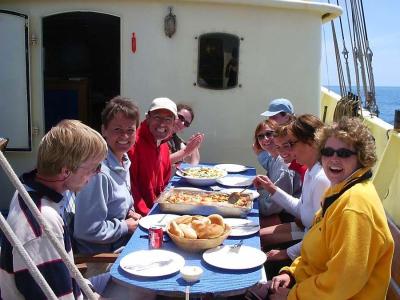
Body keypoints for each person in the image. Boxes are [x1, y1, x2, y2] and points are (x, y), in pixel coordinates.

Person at [269, 117, 394, 300]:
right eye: (327, 152)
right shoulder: (338, 191)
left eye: (343, 153)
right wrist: (292, 273)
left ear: (361, 157)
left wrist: (292, 295)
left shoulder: (353, 208)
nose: (333, 159)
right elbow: (317, 250)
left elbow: (343, 282)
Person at [0, 120, 107, 299]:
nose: (98, 173)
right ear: (66, 172)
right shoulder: (42, 225)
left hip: (78, 285)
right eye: (94, 168)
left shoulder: (26, 191)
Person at [254, 115, 330, 270]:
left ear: (311, 142)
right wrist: (271, 188)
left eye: (291, 144)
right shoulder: (311, 172)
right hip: (306, 230)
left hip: (311, 246)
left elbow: (319, 237)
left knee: (259, 255)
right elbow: (300, 209)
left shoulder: (321, 179)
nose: (289, 151)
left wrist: (285, 253)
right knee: (257, 236)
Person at [73, 97, 141, 254]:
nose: (124, 136)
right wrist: (125, 226)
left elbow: (115, 207)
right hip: (104, 258)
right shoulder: (99, 173)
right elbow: (86, 230)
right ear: (104, 130)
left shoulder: (123, 160)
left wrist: (130, 214)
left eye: (130, 130)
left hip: (122, 244)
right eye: (117, 130)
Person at [128, 97, 177, 216]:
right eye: (157, 117)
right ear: (148, 118)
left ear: (173, 123)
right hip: (141, 216)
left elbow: (164, 185)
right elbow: (130, 187)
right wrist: (148, 215)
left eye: (168, 119)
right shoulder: (133, 143)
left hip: (157, 209)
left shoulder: (164, 145)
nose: (162, 124)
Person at [252, 120, 298, 227]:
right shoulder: (274, 158)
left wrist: (251, 202)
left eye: (269, 134)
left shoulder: (283, 163)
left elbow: (272, 207)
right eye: (260, 136)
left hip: (290, 218)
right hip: (280, 211)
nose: (265, 139)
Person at [257, 98, 295, 171]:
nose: (270, 120)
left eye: (274, 117)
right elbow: (275, 167)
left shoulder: (294, 136)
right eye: (269, 117)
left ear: (287, 116)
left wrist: (261, 154)